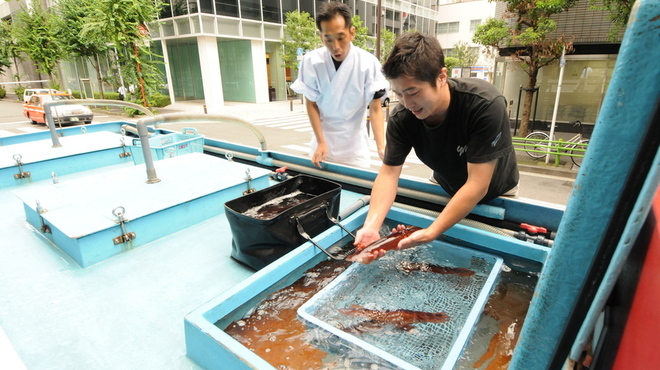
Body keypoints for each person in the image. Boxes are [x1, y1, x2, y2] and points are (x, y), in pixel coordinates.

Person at [352, 32, 519, 261]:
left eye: (413, 92)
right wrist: (372, 225)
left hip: (498, 191)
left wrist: (432, 231)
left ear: (441, 76)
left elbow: (478, 184)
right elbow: (389, 174)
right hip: (446, 185)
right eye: (399, 94)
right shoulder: (402, 117)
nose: (407, 103)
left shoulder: (485, 105)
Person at [290, 1, 389, 169]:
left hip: (354, 147)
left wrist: (381, 147)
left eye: (340, 38)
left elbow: (375, 108)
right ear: (321, 36)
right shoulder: (312, 61)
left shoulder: (368, 63)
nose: (335, 47)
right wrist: (321, 142)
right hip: (322, 145)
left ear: (352, 33)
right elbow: (311, 103)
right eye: (328, 39)